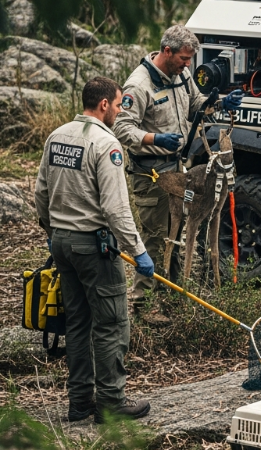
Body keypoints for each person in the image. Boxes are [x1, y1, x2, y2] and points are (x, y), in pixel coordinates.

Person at [35, 77, 155, 424]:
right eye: (118, 105)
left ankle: (79, 402)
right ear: (104, 105)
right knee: (111, 323)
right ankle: (111, 403)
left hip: (62, 244)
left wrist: (52, 232)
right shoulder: (106, 144)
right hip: (93, 246)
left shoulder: (57, 136)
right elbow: (116, 209)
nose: (119, 111)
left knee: (77, 323)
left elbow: (41, 192)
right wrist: (138, 250)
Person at [113, 24, 244, 316]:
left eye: (190, 59)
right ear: (167, 51)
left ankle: (172, 298)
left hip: (178, 168)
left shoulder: (181, 76)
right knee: (156, 237)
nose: (188, 65)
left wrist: (221, 103)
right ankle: (144, 303)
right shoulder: (139, 85)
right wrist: (154, 139)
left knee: (176, 232)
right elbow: (122, 128)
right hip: (151, 174)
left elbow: (195, 105)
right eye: (184, 59)